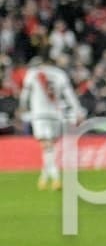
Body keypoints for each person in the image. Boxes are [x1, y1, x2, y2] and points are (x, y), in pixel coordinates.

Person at [20, 56, 80, 191]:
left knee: (46, 146)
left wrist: (22, 107)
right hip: (55, 115)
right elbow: (69, 94)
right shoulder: (59, 74)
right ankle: (44, 177)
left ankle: (56, 178)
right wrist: (77, 110)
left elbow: (25, 94)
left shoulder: (33, 73)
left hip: (39, 115)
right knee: (49, 148)